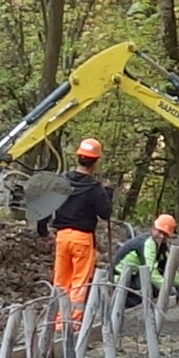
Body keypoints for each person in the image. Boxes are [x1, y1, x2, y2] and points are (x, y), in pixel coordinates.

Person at [43, 139, 114, 326]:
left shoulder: (62, 182)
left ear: (78, 157)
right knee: (79, 282)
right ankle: (72, 323)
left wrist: (42, 229)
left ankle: (57, 322)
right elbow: (105, 213)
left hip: (62, 237)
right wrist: (108, 192)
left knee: (60, 280)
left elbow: (46, 205)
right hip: (82, 238)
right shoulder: (94, 188)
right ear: (95, 162)